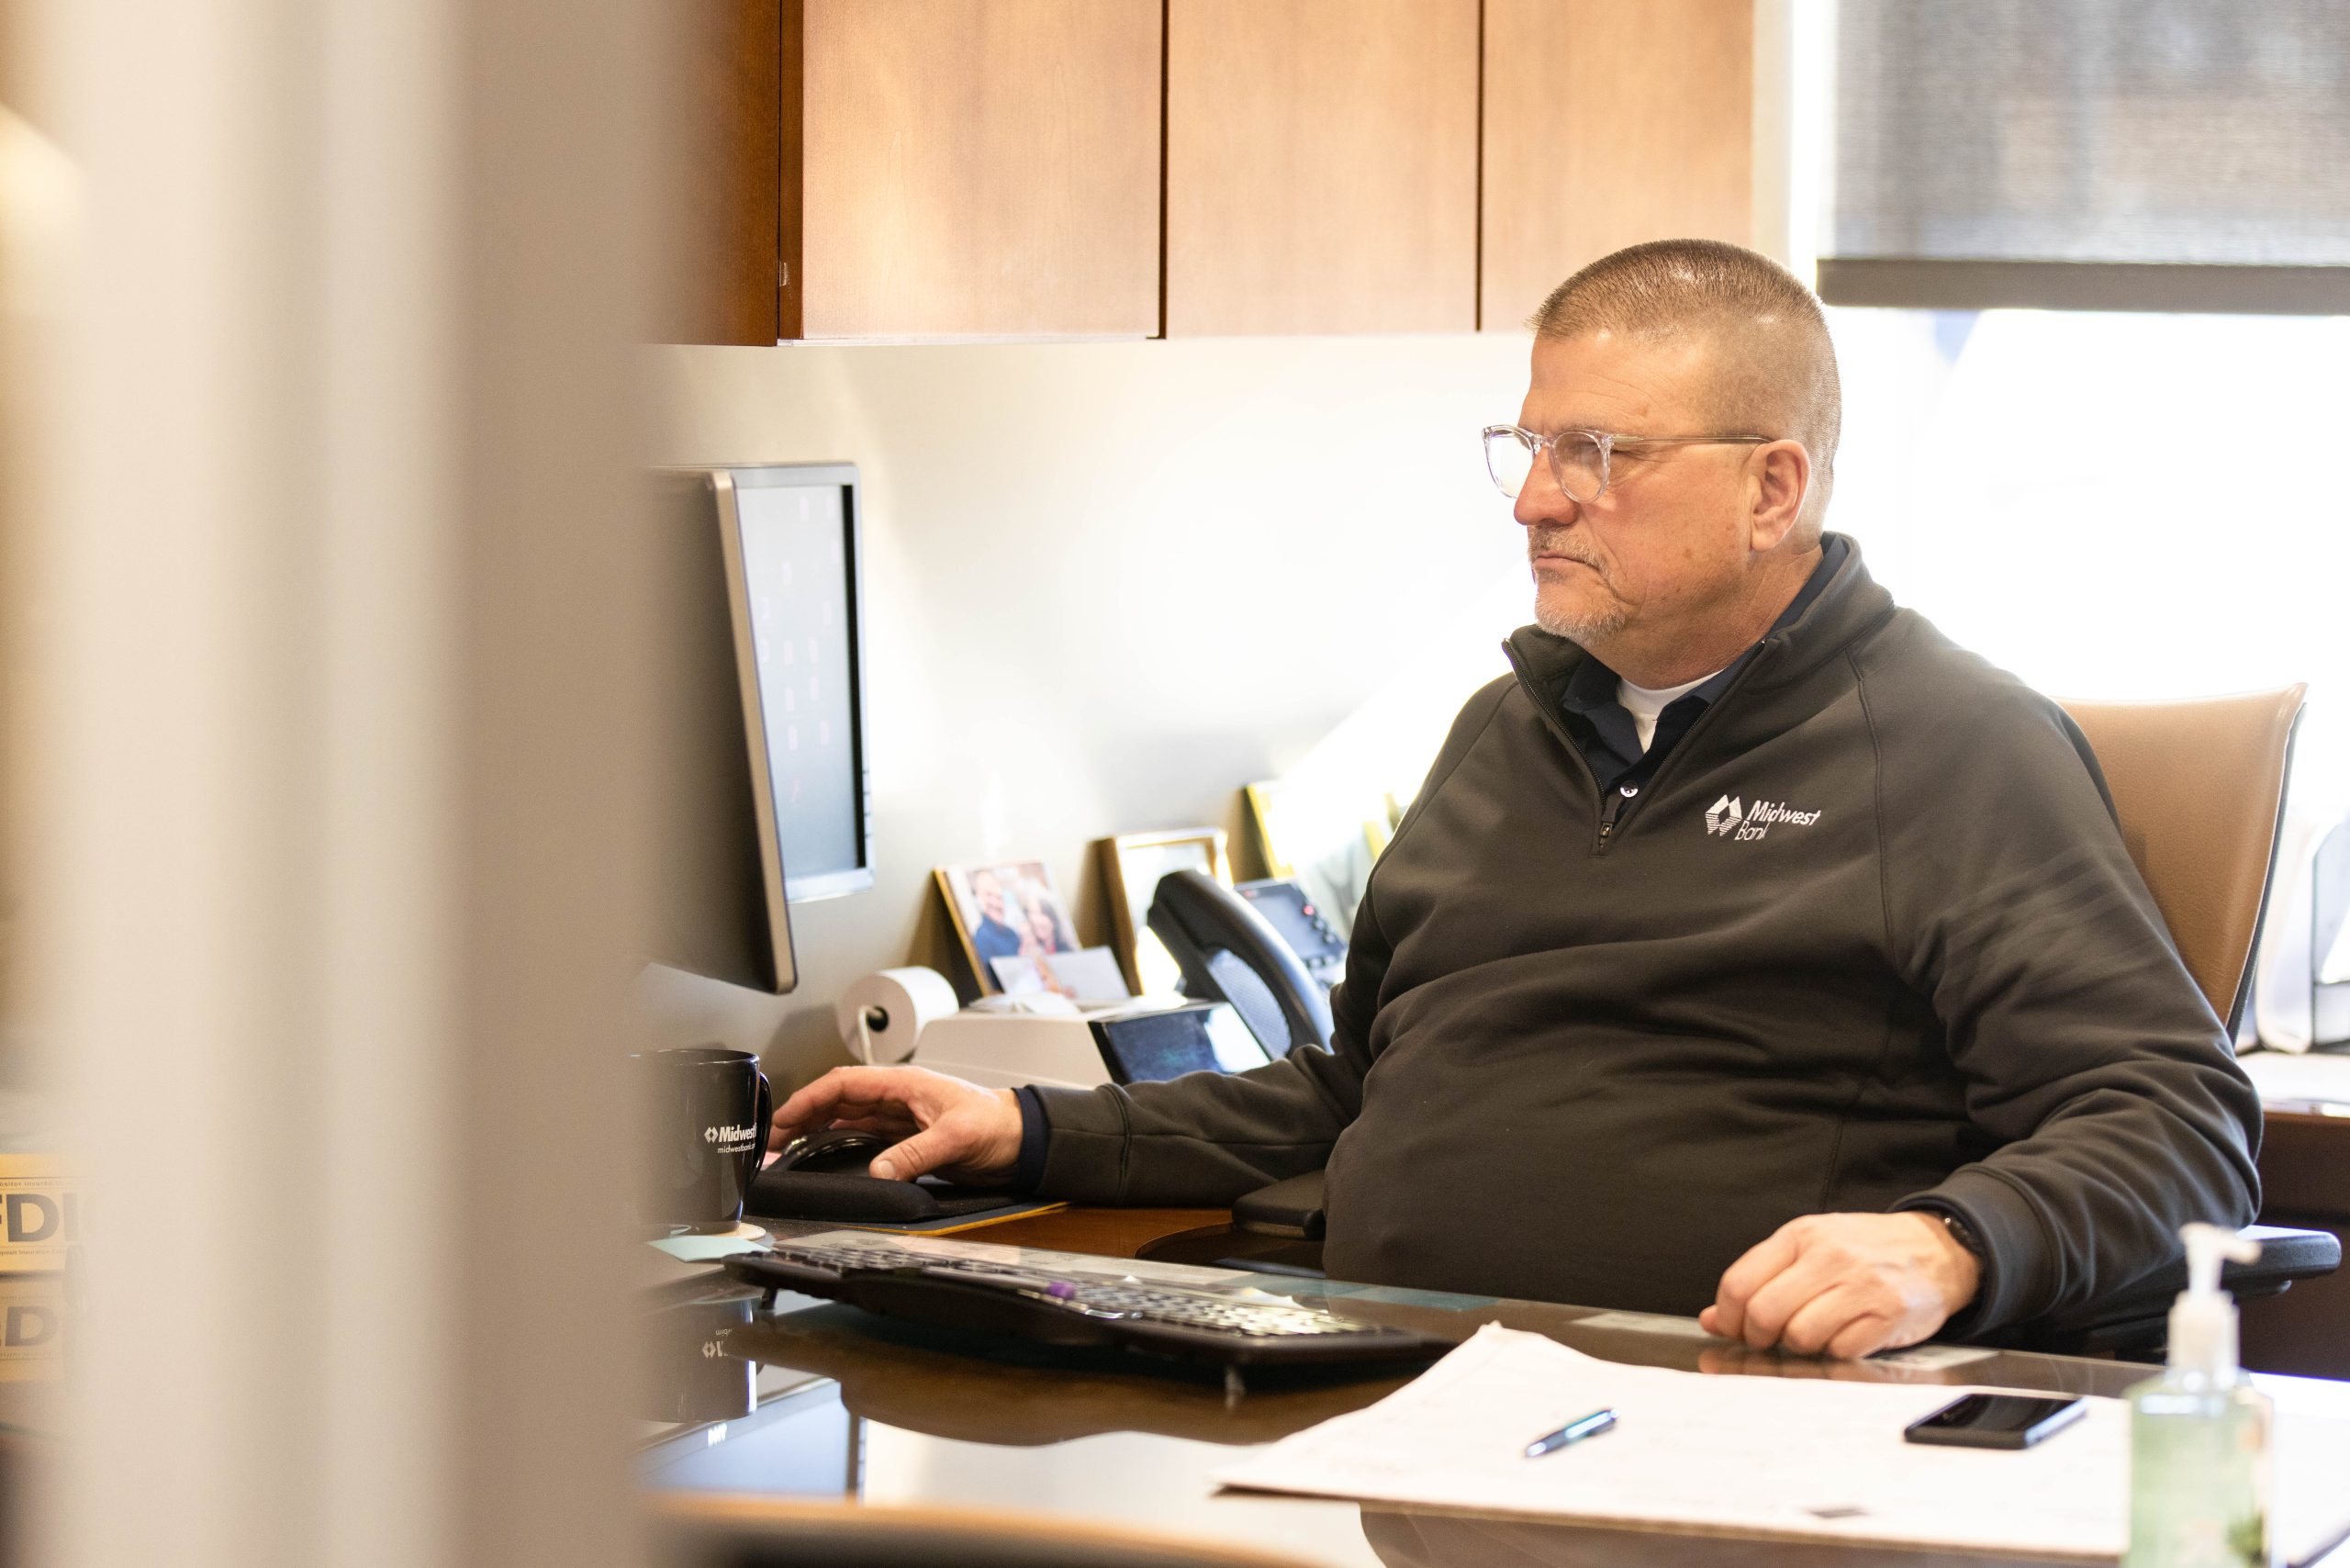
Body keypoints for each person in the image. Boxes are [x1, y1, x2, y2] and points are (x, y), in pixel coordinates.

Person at [776, 240, 2260, 1360]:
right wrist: (1030, 1127)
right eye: (1535, 444)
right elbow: (1354, 1088)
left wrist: (1947, 1247)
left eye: (1600, 454)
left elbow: (2177, 1122)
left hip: (1723, 1414)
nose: (1535, 499)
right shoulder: (1507, 725)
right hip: (1383, 1383)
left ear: (1772, 487)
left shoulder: (1960, 750)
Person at [964, 868, 1025, 969]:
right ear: (978, 899)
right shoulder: (982, 938)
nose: (995, 903)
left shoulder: (1012, 934)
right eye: (988, 895)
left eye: (999, 897)